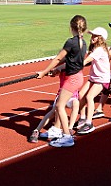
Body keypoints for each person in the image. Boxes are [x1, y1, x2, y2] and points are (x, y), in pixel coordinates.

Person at [37, 15, 87, 147]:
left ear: (71, 27)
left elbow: (58, 58)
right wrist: (58, 70)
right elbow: (71, 62)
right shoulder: (83, 43)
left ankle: (67, 137)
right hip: (78, 77)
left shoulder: (71, 42)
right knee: (60, 105)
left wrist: (43, 71)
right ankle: (59, 131)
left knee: (59, 106)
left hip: (72, 79)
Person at [29, 69, 79, 143]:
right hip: (62, 95)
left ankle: (69, 128)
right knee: (54, 111)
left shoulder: (73, 65)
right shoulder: (64, 66)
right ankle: (36, 131)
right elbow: (55, 72)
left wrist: (45, 72)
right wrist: (46, 73)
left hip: (73, 96)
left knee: (76, 104)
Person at [76, 27, 111, 134]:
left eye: (95, 36)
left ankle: (89, 123)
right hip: (94, 77)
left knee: (89, 97)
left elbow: (86, 61)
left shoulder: (100, 50)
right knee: (81, 95)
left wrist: (70, 67)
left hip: (101, 79)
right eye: (92, 35)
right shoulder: (96, 48)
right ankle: (82, 117)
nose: (92, 37)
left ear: (101, 38)